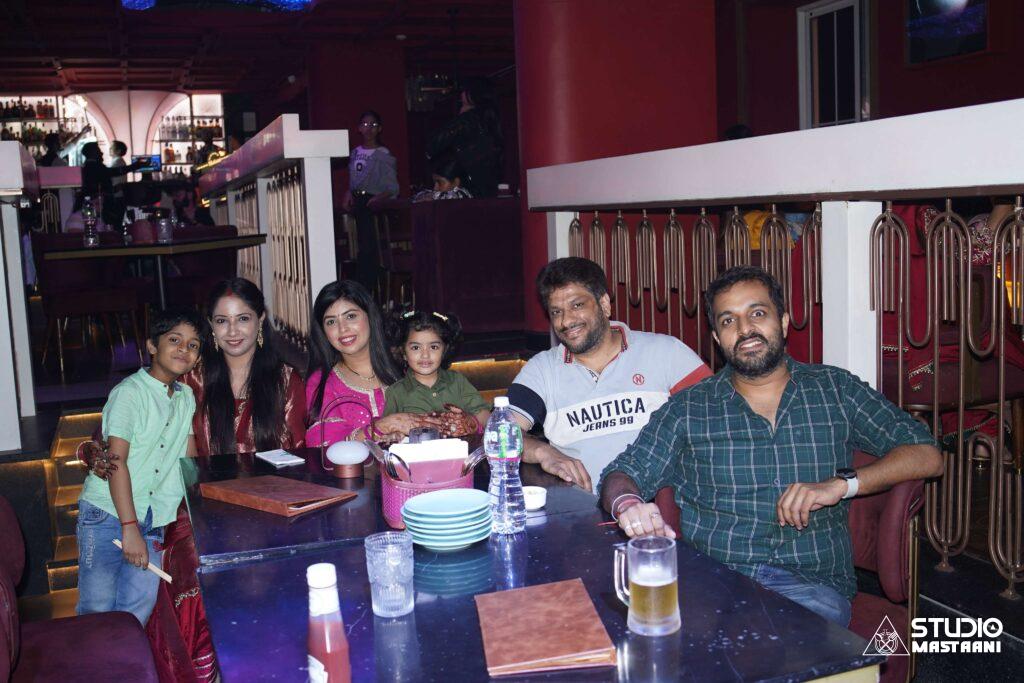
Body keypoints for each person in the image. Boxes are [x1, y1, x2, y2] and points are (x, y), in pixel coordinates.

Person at [599, 266, 944, 626]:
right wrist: (628, 504)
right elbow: (622, 472)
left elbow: (927, 454)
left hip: (810, 589)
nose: (745, 329)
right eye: (728, 321)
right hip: (716, 585)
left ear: (783, 321)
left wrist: (842, 484)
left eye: (758, 313)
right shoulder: (689, 408)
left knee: (785, 648)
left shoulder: (835, 390)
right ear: (717, 338)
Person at [84, 278, 306, 682]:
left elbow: (297, 458)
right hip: (196, 508)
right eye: (222, 321)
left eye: (243, 319)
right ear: (211, 327)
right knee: (190, 570)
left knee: (267, 571)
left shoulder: (285, 379)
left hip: (267, 509)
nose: (233, 331)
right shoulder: (190, 377)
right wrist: (91, 452)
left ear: (261, 321)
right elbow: (121, 429)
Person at [506, 257, 712, 491]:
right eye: (556, 312)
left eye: (577, 305)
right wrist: (543, 452)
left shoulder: (667, 352)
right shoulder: (542, 370)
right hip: (583, 509)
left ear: (604, 303)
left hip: (663, 505)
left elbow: (721, 411)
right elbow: (499, 433)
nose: (566, 321)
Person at [75, 307, 203, 626]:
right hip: (108, 514)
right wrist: (129, 526)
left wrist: (197, 510)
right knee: (98, 606)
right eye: (174, 340)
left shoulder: (186, 397)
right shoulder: (129, 393)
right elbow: (116, 461)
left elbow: (188, 459)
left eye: (193, 345)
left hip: (154, 518)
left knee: (138, 606)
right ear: (151, 346)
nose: (183, 349)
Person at [306, 280, 440, 447]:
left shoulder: (406, 369)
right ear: (323, 331)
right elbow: (321, 443)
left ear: (370, 317)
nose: (343, 329)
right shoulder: (323, 383)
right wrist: (382, 427)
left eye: (351, 316)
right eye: (331, 322)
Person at [384, 310, 488, 436]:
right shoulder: (395, 393)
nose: (425, 355)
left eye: (433, 347)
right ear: (403, 352)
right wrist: (395, 434)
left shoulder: (458, 381)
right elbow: (388, 431)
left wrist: (472, 422)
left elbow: (483, 414)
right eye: (416, 348)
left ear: (444, 350)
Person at [342, 110, 400, 292]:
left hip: (371, 204)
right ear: (359, 128)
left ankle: (366, 288)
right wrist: (349, 192)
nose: (369, 129)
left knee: (368, 248)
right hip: (357, 202)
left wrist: (377, 198)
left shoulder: (383, 154)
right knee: (359, 246)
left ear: (379, 129)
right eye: (365, 124)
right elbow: (354, 180)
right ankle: (360, 287)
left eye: (373, 125)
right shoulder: (355, 153)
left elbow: (392, 187)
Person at [426, 76, 503, 198]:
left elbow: (434, 144)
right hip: (487, 187)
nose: (461, 94)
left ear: (472, 94)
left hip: (466, 186)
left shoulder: (468, 119)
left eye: (465, 90)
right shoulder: (492, 121)